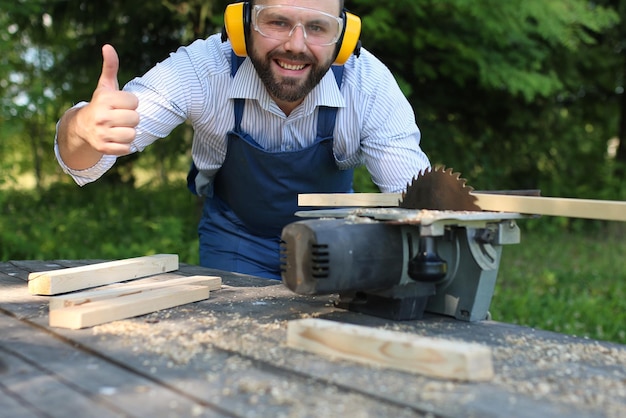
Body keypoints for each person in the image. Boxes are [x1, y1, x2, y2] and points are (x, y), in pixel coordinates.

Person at [54, 0, 431, 280]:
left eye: (318, 27)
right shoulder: (202, 70)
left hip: (333, 244)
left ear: (344, 38)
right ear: (242, 24)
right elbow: (84, 160)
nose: (296, 45)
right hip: (235, 242)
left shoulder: (369, 86)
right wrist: (81, 127)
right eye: (277, 22)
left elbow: (420, 202)